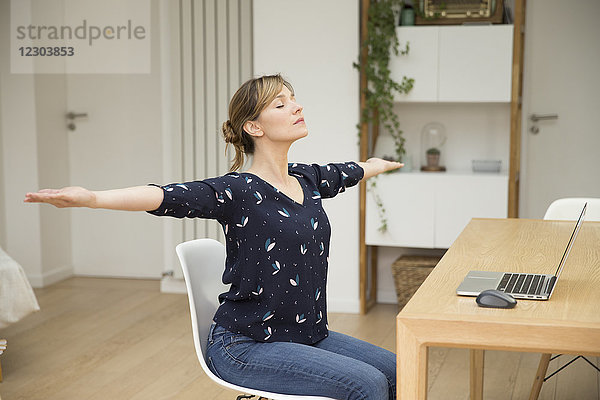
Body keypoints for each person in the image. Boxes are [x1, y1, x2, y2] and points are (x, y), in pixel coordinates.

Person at [25, 74, 403, 399]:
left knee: (400, 371)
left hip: (306, 334)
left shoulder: (308, 179)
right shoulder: (237, 190)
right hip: (246, 345)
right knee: (367, 384)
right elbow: (166, 195)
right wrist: (91, 199)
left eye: (293, 98)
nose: (296, 106)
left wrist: (378, 165)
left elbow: (350, 171)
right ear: (254, 127)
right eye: (280, 103)